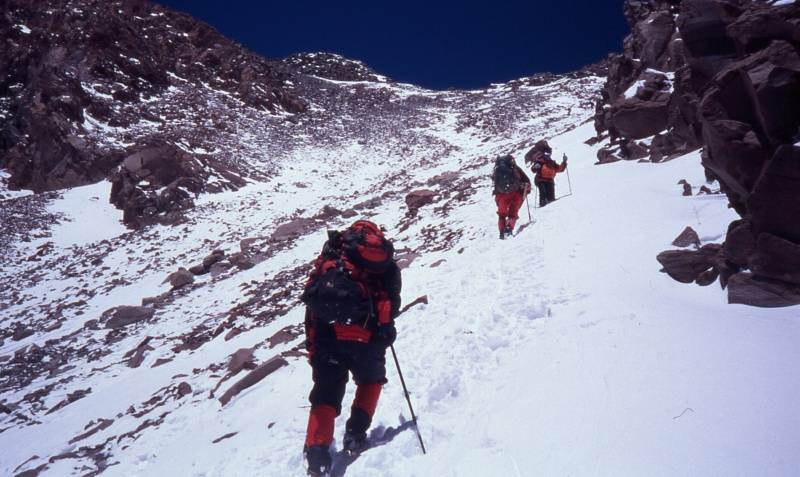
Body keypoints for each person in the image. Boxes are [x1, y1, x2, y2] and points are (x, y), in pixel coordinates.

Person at [301, 220, 402, 476]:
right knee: (371, 381)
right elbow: (392, 301)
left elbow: (312, 299)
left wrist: (313, 345)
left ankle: (317, 454)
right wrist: (385, 329)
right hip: (367, 336)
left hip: (328, 335)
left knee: (326, 392)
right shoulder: (383, 261)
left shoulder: (334, 253)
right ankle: (356, 434)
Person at [492, 154, 531, 239]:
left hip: (501, 195)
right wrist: (526, 189)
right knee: (512, 214)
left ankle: (502, 233)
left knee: (502, 215)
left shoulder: (497, 170)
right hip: (515, 194)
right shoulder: (515, 168)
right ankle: (509, 230)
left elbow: (494, 183)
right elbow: (526, 180)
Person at [525, 140, 567, 207]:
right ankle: (543, 204)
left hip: (549, 180)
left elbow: (559, 169)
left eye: (549, 154)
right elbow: (533, 170)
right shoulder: (540, 161)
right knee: (543, 193)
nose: (548, 155)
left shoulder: (552, 162)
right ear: (544, 154)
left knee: (551, 197)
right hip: (541, 180)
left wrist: (564, 162)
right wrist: (535, 167)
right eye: (546, 154)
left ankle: (548, 204)